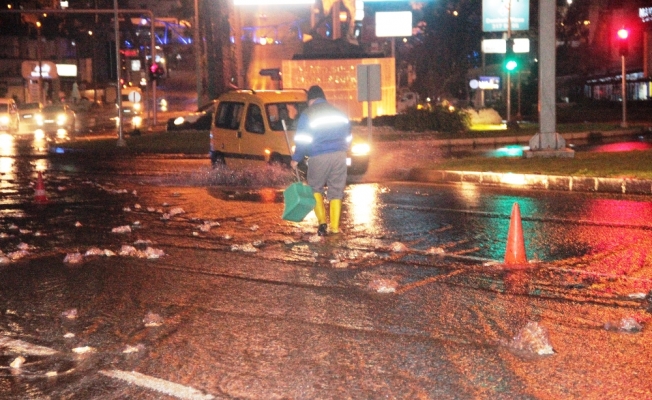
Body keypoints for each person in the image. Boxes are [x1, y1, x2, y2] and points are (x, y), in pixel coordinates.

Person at [290, 85, 352, 236]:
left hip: (318, 156)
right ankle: (335, 228)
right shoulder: (339, 112)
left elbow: (303, 140)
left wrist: (296, 159)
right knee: (336, 191)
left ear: (310, 100)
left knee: (315, 188)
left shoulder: (308, 113)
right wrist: (342, 148)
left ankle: (322, 224)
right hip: (340, 155)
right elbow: (349, 136)